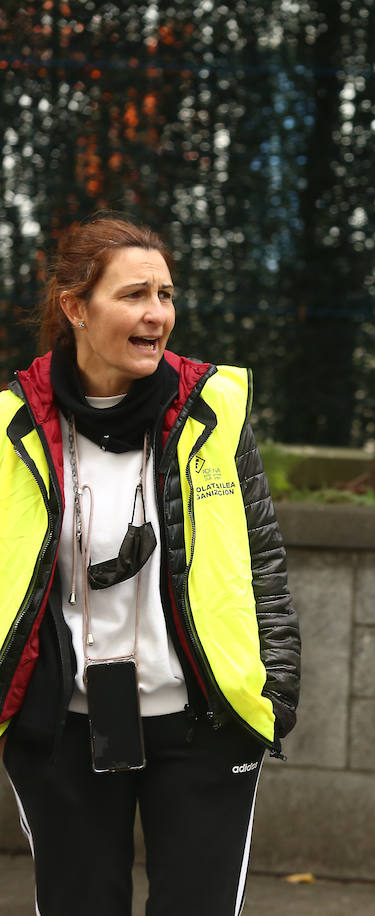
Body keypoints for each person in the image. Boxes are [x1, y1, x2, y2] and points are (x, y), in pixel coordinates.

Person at [0, 214, 300, 915]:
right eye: (135, 295)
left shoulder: (212, 412)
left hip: (204, 723)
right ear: (75, 307)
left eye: (165, 295)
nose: (158, 314)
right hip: (64, 730)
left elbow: (263, 561)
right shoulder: (14, 426)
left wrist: (274, 693)